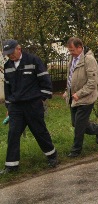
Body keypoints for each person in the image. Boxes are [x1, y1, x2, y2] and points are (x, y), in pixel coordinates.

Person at [1, 40, 58, 174]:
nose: (10, 56)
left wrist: (41, 99)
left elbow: (45, 81)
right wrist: (9, 108)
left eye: (11, 53)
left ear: (19, 49)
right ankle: (11, 166)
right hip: (16, 107)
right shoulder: (7, 66)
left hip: (33, 104)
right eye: (7, 54)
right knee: (13, 134)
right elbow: (7, 89)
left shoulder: (33, 60)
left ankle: (52, 156)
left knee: (39, 131)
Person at [64, 37, 98, 158]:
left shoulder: (89, 59)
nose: (70, 52)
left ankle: (76, 150)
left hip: (86, 98)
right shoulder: (73, 58)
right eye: (69, 50)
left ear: (80, 47)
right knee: (75, 123)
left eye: (72, 50)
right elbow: (71, 76)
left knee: (79, 125)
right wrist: (68, 91)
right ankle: (97, 129)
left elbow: (93, 82)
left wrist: (79, 93)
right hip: (74, 97)